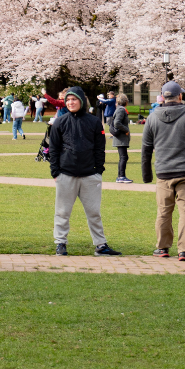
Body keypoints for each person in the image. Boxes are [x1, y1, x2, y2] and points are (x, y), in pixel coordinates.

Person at [48, 87, 120, 257]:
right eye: (67, 100)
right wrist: (55, 172)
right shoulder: (60, 122)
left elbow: (99, 148)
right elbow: (53, 149)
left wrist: (98, 170)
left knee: (94, 212)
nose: (70, 103)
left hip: (90, 175)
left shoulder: (94, 121)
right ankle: (60, 243)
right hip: (66, 174)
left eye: (73, 99)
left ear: (81, 101)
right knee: (62, 212)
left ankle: (101, 245)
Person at [140, 81, 185, 261]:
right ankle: (184, 250)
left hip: (164, 173)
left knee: (163, 211)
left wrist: (146, 175)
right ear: (180, 96)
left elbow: (146, 148)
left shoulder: (152, 118)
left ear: (162, 97)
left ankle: (162, 247)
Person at [110, 93, 133, 183]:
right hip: (120, 138)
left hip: (121, 138)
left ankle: (121, 176)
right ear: (126, 102)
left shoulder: (120, 109)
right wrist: (126, 130)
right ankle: (121, 176)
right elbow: (117, 123)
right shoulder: (121, 110)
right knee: (123, 157)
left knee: (123, 157)